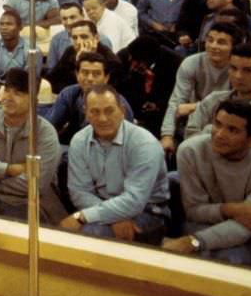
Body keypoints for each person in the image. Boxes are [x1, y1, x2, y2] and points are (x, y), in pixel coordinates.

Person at [163, 100, 251, 268]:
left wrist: (194, 241)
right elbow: (193, 211)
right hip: (202, 223)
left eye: (232, 130)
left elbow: (248, 226)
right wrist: (230, 209)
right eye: (217, 124)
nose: (219, 134)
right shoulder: (191, 151)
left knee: (225, 262)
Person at [60, 85, 170, 243]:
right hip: (100, 203)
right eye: (95, 111)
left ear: (122, 111)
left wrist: (85, 216)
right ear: (86, 113)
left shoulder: (144, 143)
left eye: (109, 110)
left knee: (90, 234)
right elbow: (79, 192)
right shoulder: (79, 140)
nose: (103, 118)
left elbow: (134, 201)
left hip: (147, 211)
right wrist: (111, 216)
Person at [0, 68, 62, 220]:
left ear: (33, 102)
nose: (9, 98)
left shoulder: (45, 133)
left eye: (18, 94)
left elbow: (37, 184)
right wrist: (8, 169)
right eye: (7, 91)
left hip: (29, 201)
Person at [184, 41, 251, 152]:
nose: (238, 76)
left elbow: (242, 153)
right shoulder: (214, 99)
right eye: (233, 68)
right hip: (204, 166)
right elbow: (189, 139)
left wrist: (208, 129)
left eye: (247, 70)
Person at [160, 23, 239, 154]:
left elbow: (238, 102)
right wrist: (167, 136)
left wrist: (195, 106)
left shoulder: (237, 68)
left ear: (233, 47)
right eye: (210, 40)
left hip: (228, 123)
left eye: (221, 42)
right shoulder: (192, 63)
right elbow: (176, 102)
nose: (213, 46)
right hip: (193, 122)